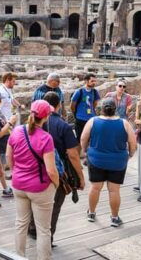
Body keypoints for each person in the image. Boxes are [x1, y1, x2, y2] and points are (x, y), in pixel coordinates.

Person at [6, 100, 59, 260]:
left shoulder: (16, 131)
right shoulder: (46, 138)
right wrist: (56, 184)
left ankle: (19, 256)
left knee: (21, 223)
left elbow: (9, 156)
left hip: (19, 185)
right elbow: (51, 169)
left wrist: (15, 172)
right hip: (39, 188)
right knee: (43, 229)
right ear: (46, 117)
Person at [34, 91, 85, 244]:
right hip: (56, 171)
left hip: (35, 168)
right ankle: (47, 238)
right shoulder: (63, 126)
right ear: (59, 105)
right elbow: (73, 154)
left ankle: (33, 229)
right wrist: (80, 177)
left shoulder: (34, 124)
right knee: (54, 205)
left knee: (36, 203)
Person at [80, 98, 137, 227]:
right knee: (114, 191)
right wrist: (130, 154)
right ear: (115, 109)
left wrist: (85, 151)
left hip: (96, 159)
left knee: (95, 188)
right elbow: (133, 143)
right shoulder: (124, 123)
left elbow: (83, 139)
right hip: (117, 161)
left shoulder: (92, 121)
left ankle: (91, 213)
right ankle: (115, 217)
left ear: (101, 109)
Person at [70, 73, 100, 144]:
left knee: (91, 138)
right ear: (86, 81)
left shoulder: (95, 92)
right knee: (79, 139)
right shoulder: (79, 91)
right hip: (80, 119)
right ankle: (80, 154)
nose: (94, 83)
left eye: (95, 81)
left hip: (91, 119)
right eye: (92, 81)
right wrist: (77, 114)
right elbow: (72, 105)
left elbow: (95, 104)